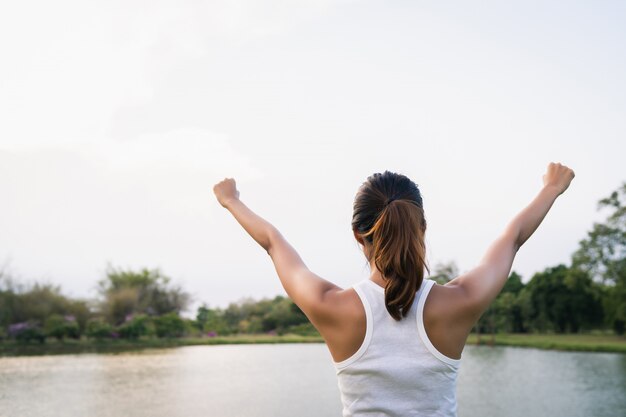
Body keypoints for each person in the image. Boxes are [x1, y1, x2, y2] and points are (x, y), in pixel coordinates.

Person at [212, 162, 575, 417]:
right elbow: (512, 239)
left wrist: (232, 200)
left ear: (359, 234)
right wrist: (551, 188)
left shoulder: (331, 307)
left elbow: (273, 243)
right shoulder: (459, 302)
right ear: (423, 228)